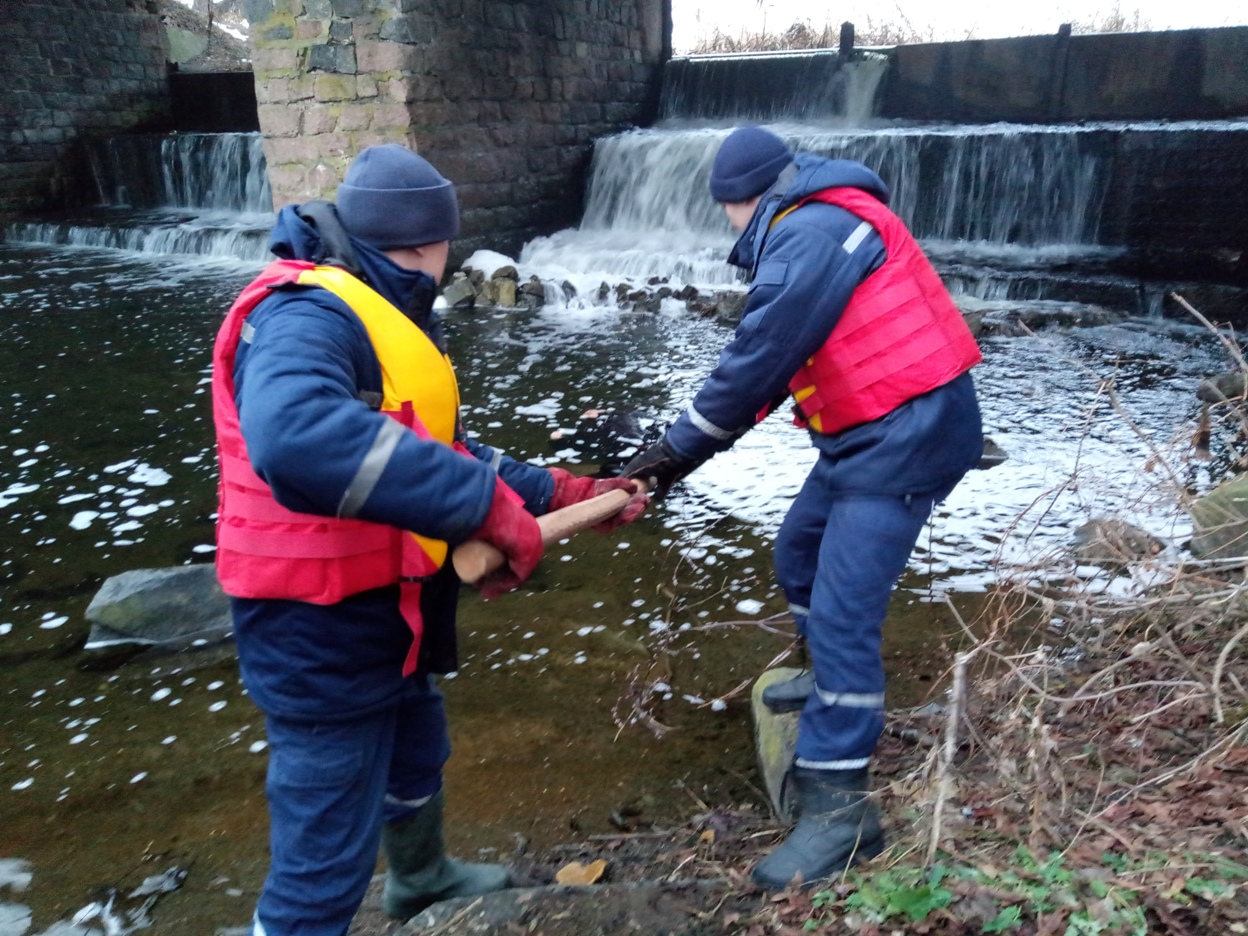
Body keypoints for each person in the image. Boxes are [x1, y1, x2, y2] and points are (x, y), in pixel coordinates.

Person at [211, 143, 648, 936]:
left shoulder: (383, 305)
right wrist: (479, 507)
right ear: (435, 241)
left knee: (416, 747)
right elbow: (294, 436)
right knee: (324, 845)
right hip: (312, 622)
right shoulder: (308, 315)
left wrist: (565, 491)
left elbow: (444, 449)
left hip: (390, 605)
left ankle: (420, 879)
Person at [621, 126, 983, 890]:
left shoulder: (810, 234)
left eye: (724, 209)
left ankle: (839, 815)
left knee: (847, 618)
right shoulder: (815, 219)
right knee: (800, 552)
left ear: (739, 200)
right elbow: (773, 371)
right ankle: (827, 687)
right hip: (874, 433)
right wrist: (672, 460)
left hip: (906, 439)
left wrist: (671, 456)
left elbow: (754, 364)